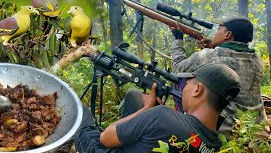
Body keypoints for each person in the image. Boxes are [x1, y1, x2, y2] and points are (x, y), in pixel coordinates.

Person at [74, 63, 241, 152]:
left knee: (79, 109)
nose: (184, 89)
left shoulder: (161, 116)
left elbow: (106, 138)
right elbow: (187, 134)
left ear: (198, 89)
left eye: (187, 85)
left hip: (102, 147)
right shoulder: (213, 145)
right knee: (134, 95)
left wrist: (147, 109)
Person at [170, 17, 264, 137]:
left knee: (185, 83)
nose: (215, 33)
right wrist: (214, 48)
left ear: (228, 34)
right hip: (252, 128)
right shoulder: (256, 58)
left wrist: (178, 39)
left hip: (223, 131)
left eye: (219, 29)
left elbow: (178, 67)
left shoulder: (210, 56)